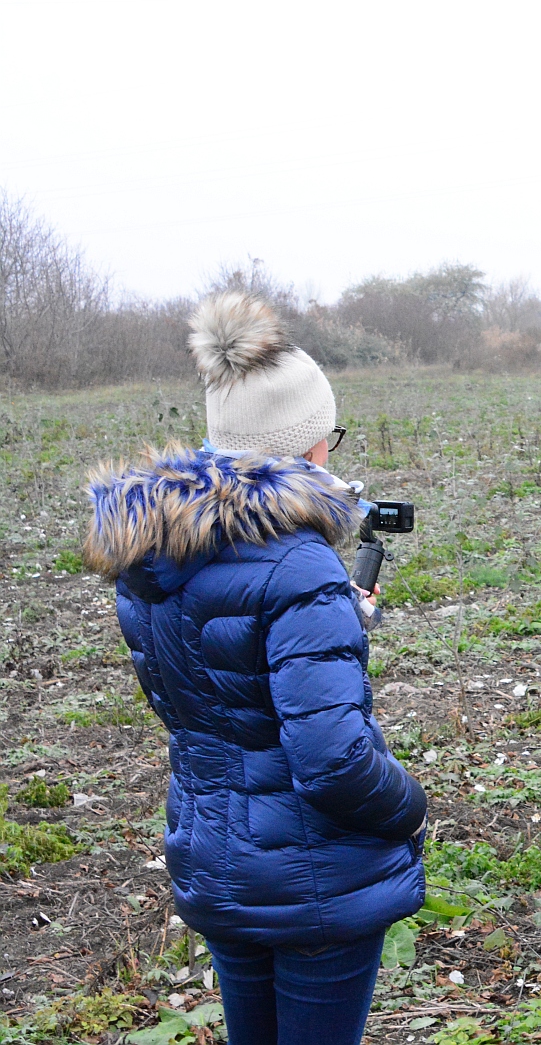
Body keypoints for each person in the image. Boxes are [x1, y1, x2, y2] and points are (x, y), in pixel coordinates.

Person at [83, 293, 426, 1045]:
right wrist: (408, 808)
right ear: (307, 445)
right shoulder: (300, 567)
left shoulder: (152, 551)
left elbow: (215, 686)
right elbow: (333, 761)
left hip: (217, 859)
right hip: (315, 881)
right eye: (327, 434)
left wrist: (333, 615)